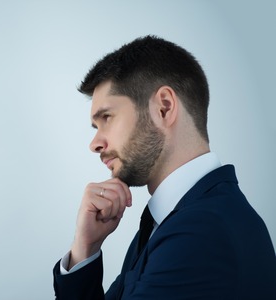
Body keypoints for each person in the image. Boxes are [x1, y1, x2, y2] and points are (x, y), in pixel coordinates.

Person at [53, 35, 276, 299]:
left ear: (164, 108)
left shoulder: (201, 231)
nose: (94, 144)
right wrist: (85, 248)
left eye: (107, 118)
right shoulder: (173, 222)